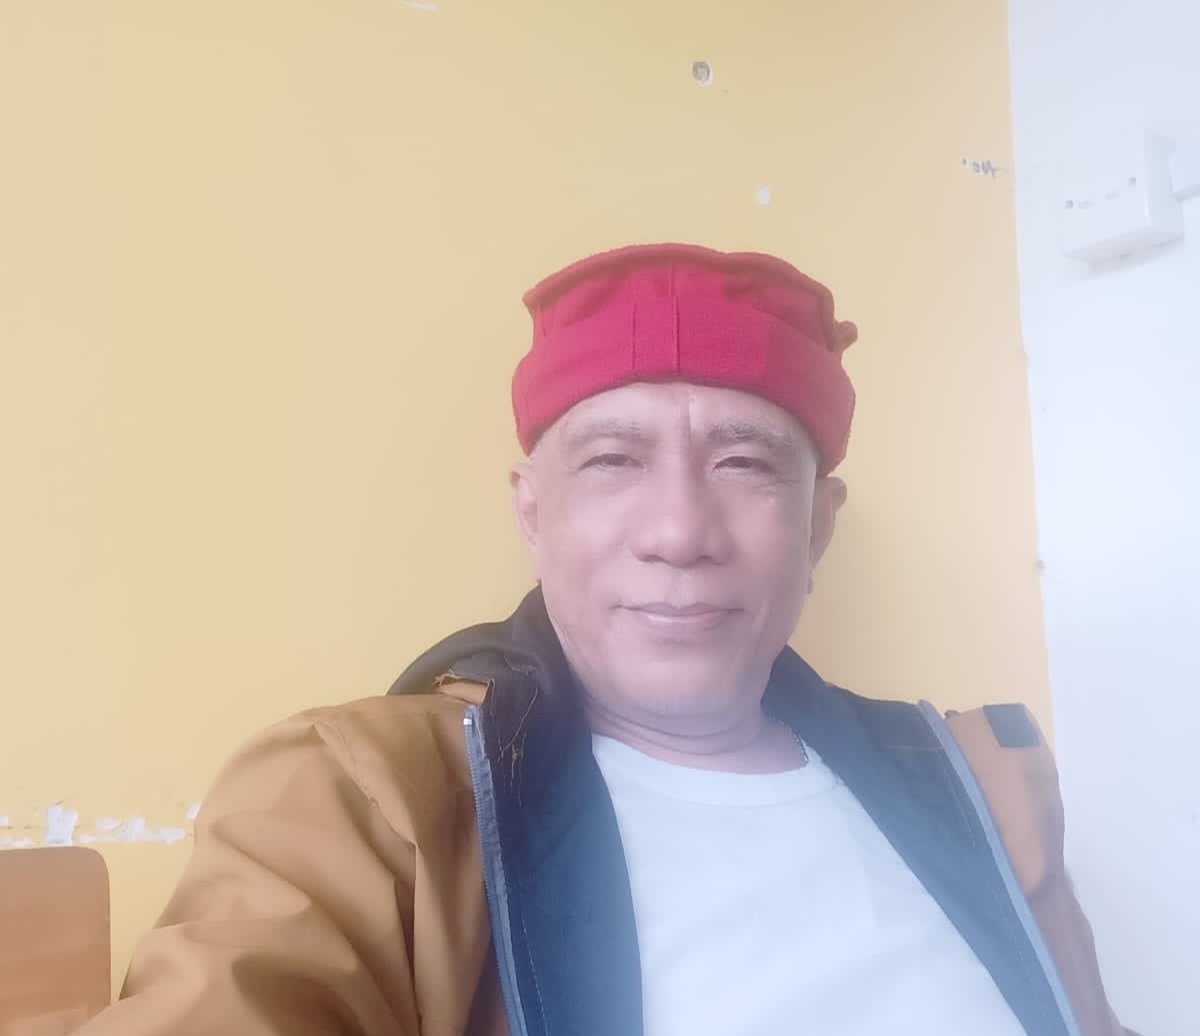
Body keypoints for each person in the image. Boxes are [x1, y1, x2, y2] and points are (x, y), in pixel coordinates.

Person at [77, 243, 1131, 1036]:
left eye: (745, 463)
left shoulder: (974, 784)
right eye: (614, 460)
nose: (679, 531)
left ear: (819, 526)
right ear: (533, 513)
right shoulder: (366, 800)